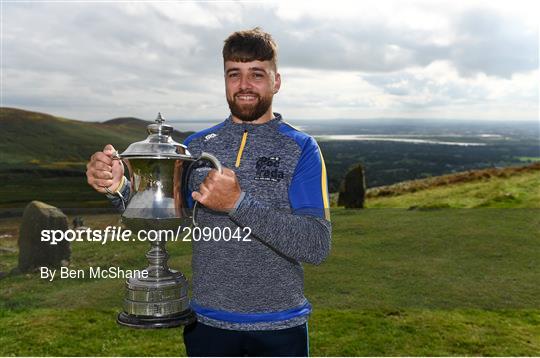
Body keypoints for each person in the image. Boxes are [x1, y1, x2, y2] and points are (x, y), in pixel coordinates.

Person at [86, 27, 331, 357]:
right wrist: (118, 187)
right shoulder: (194, 147)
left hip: (280, 327)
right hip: (206, 326)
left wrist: (237, 204)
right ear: (225, 80)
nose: (244, 85)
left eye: (257, 74)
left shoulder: (301, 148)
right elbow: (166, 218)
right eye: (234, 74)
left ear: (276, 82)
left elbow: (315, 244)